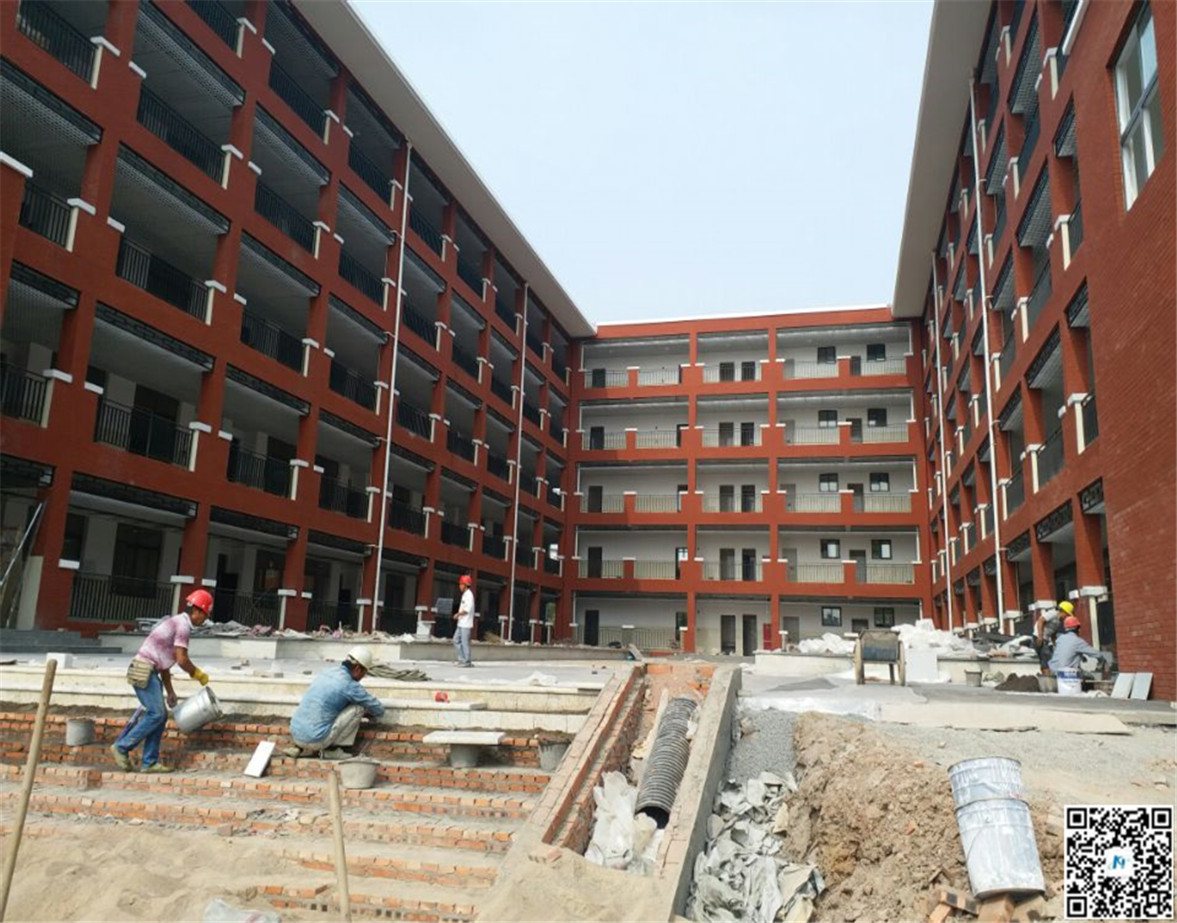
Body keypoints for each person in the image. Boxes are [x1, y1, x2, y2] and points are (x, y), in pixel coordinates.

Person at [111, 589, 213, 774]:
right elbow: (182, 659)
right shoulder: (182, 626)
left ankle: (149, 762)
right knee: (156, 714)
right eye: (205, 615)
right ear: (197, 611)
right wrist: (197, 674)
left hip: (149, 670)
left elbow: (164, 664)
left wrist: (170, 691)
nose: (205, 620)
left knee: (160, 715)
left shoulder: (176, 622)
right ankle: (122, 747)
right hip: (144, 670)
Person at [285, 646, 385, 759]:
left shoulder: (326, 672)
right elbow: (378, 709)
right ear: (357, 668)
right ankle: (332, 750)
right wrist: (369, 713)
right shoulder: (349, 685)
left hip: (296, 736)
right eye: (364, 673)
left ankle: (298, 748)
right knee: (358, 708)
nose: (362, 677)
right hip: (317, 741)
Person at [1049, 614, 1113, 675]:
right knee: (1090, 678)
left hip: (1053, 671)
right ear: (1078, 629)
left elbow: (1065, 653)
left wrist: (1081, 656)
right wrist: (1103, 660)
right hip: (1067, 675)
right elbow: (1096, 654)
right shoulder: (1078, 641)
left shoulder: (1060, 639)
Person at [1034, 600, 1073, 671]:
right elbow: (1040, 620)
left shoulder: (1059, 621)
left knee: (1048, 657)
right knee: (1047, 657)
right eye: (1067, 614)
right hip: (1039, 638)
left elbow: (1053, 634)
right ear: (1063, 611)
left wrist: (1055, 645)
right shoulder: (1053, 613)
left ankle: (1046, 674)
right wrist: (1040, 636)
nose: (1067, 617)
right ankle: (1047, 675)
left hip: (1046, 640)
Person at [453, 574, 475, 667]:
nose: (460, 586)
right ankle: (462, 659)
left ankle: (467, 661)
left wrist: (457, 614)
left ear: (465, 585)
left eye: (461, 584)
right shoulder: (465, 595)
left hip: (466, 624)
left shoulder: (469, 595)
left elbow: (467, 610)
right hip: (461, 623)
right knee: (456, 640)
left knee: (465, 642)